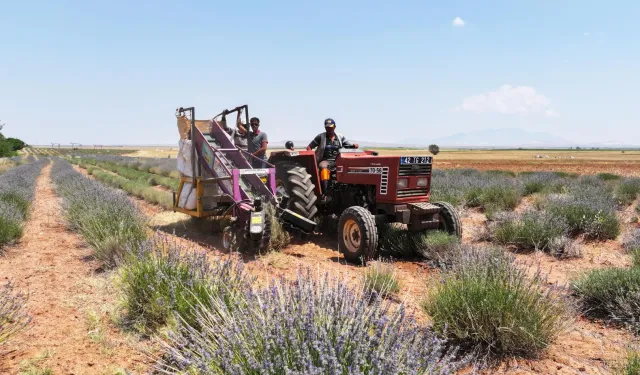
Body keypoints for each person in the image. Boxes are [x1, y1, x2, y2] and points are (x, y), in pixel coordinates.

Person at [306, 118, 358, 199]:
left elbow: (348, 146)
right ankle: (325, 192)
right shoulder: (321, 137)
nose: (329, 129)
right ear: (325, 127)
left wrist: (354, 146)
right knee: (324, 168)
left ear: (335, 127)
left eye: (331, 127)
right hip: (325, 160)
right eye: (327, 127)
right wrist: (310, 156)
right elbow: (309, 147)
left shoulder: (340, 137)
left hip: (338, 160)